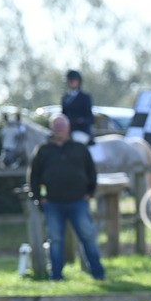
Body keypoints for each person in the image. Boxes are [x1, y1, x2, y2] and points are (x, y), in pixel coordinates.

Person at [27, 114, 106, 280]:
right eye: (56, 127)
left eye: (62, 127)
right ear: (51, 129)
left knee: (87, 237)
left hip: (78, 202)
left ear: (68, 129)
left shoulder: (79, 148)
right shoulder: (43, 150)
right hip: (53, 203)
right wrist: (38, 198)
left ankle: (98, 273)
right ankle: (56, 276)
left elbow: (91, 172)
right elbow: (33, 176)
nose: (59, 130)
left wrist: (89, 193)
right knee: (55, 240)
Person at [61, 69, 94, 144]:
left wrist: (80, 120)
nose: (71, 82)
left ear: (79, 82)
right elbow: (63, 114)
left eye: (74, 80)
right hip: (67, 131)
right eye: (70, 80)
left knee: (76, 141)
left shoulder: (85, 97)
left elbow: (90, 118)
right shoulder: (65, 97)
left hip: (81, 131)